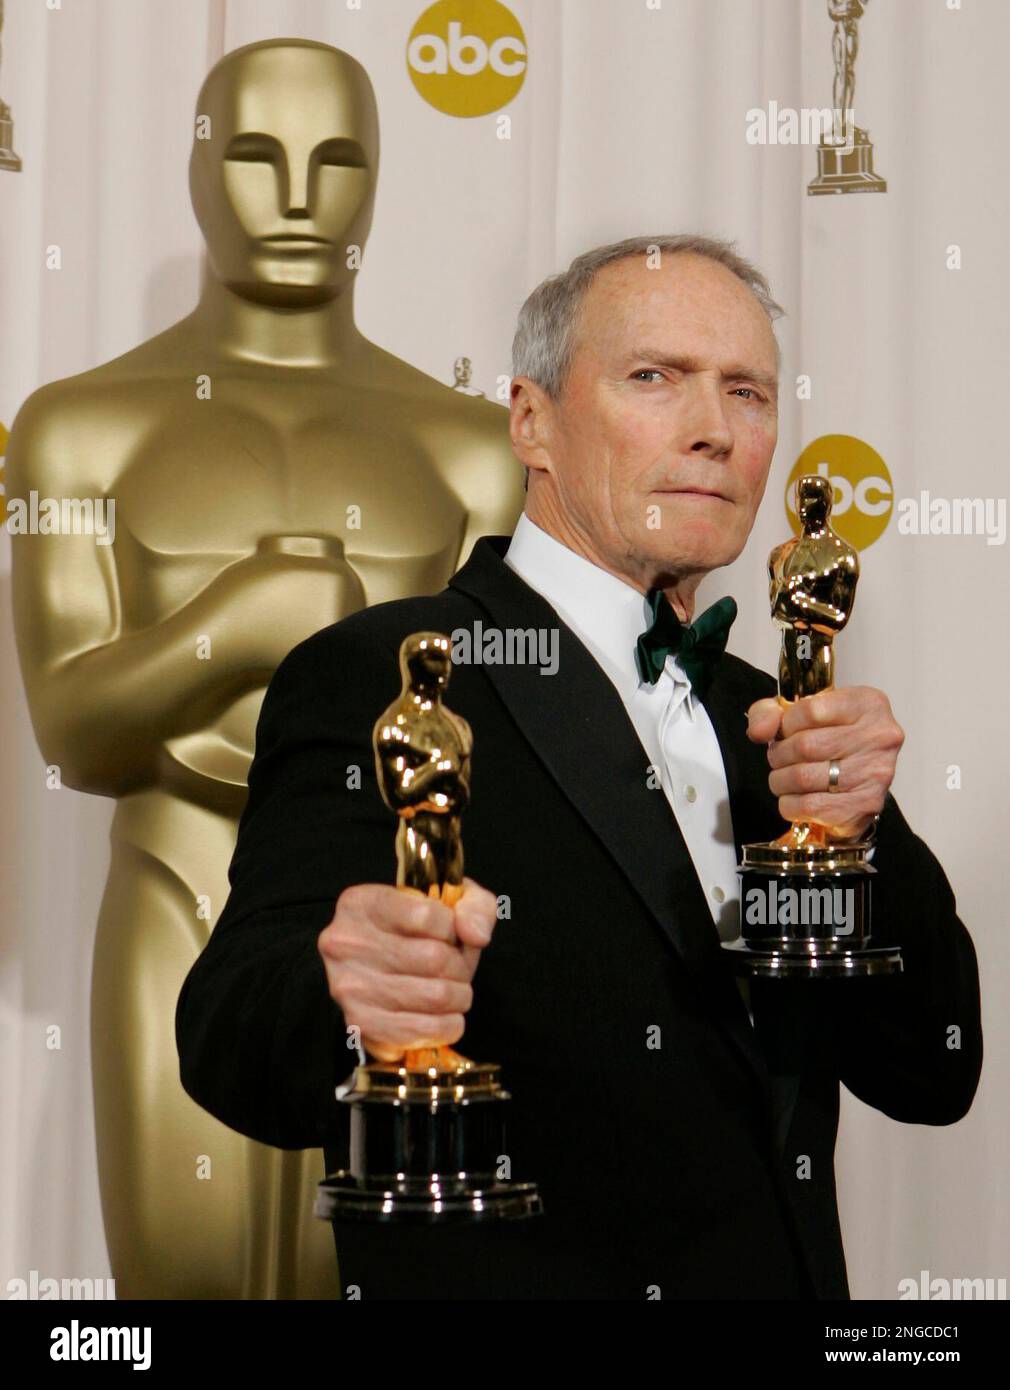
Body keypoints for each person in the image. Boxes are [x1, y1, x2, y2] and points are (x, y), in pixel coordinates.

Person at [175, 234, 982, 1300]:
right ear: (529, 420)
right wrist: (349, 995)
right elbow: (228, 1036)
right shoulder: (392, 675)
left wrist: (860, 842)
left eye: (745, 392)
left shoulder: (772, 718)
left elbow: (931, 1067)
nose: (711, 431)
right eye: (653, 377)